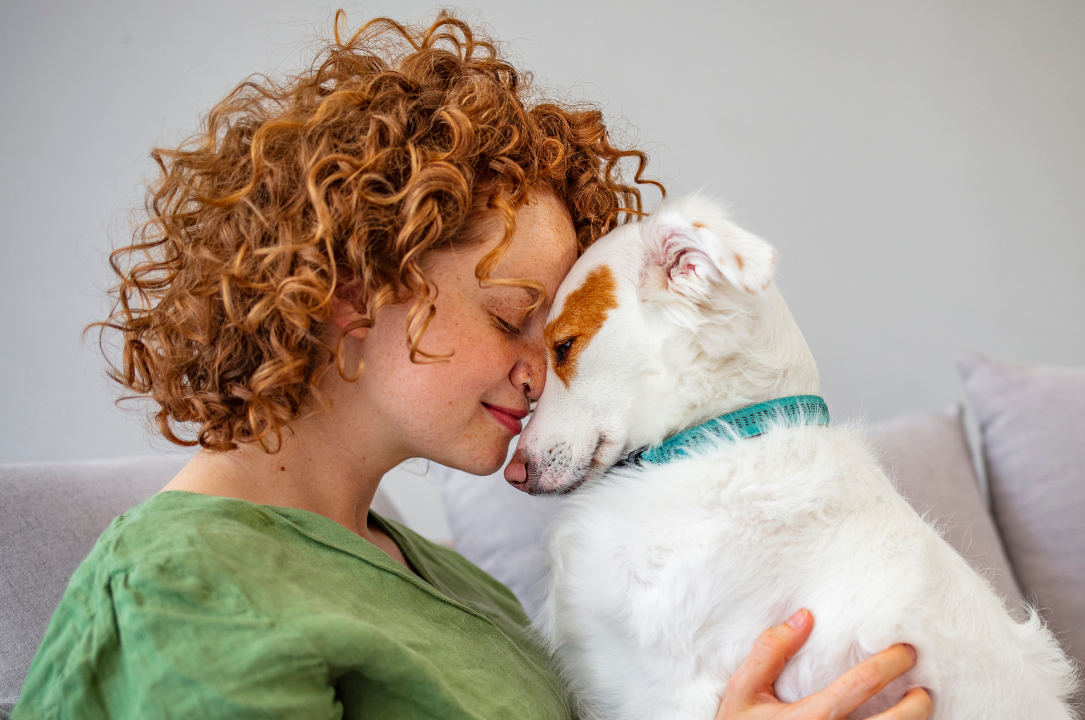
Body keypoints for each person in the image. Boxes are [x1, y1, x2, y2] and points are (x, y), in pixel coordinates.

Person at [13, 12, 932, 720]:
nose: (544, 376)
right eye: (513, 318)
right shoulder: (177, 596)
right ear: (352, 290)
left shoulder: (449, 584)